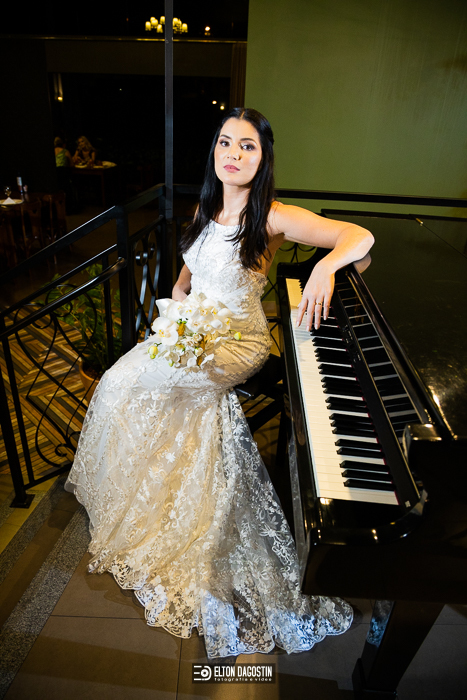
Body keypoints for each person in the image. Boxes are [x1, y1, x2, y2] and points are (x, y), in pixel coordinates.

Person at [65, 108, 374, 658]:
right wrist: (177, 308)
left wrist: (325, 267)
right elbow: (187, 275)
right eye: (225, 143)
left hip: (238, 341)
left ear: (263, 157)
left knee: (165, 390)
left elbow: (360, 237)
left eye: (247, 146)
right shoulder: (206, 207)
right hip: (192, 332)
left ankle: (184, 516)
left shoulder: (272, 216)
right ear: (214, 152)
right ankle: (141, 494)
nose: (234, 153)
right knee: (116, 382)